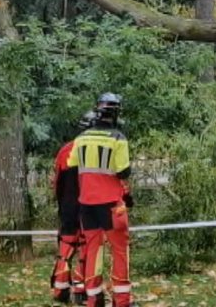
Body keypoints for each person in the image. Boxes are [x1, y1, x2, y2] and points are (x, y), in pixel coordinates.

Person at [67, 93, 134, 307]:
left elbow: (72, 164)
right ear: (116, 113)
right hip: (112, 206)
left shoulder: (81, 138)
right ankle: (121, 301)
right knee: (119, 252)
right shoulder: (118, 138)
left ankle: (94, 299)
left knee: (93, 251)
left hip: (87, 204)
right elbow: (123, 172)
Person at [51, 111, 95, 305]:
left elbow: (57, 183)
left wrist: (61, 203)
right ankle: (81, 288)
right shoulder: (98, 151)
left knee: (66, 247)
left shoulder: (65, 151)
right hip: (90, 205)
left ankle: (60, 289)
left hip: (68, 206)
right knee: (86, 247)